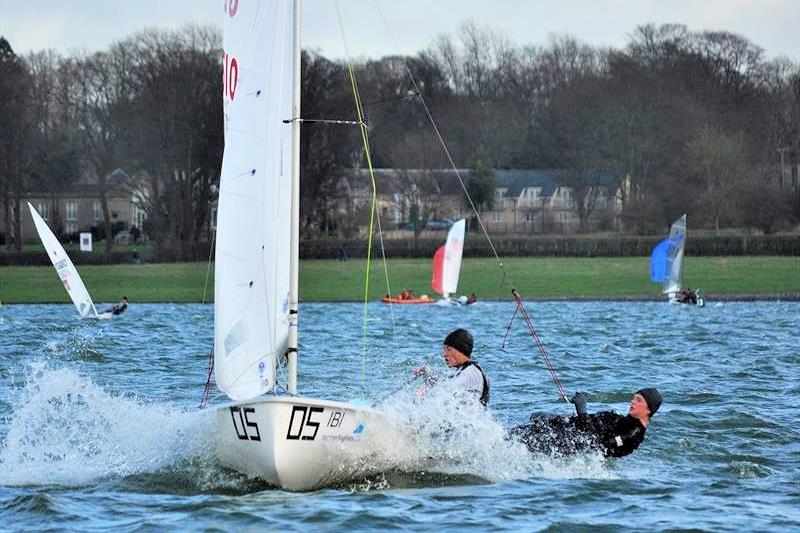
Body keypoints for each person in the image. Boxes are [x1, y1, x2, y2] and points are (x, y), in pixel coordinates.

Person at [510, 387, 662, 458]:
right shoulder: (625, 422)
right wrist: (555, 418)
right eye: (634, 397)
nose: (632, 401)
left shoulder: (631, 434)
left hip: (563, 443)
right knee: (512, 434)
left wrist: (581, 409)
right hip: (562, 430)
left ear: (649, 408)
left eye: (639, 400)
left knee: (512, 442)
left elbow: (596, 443)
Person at [431, 328, 490, 406]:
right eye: (444, 350)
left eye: (448, 349)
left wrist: (428, 390)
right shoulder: (468, 369)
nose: (444, 354)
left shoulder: (470, 372)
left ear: (461, 349)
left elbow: (446, 390)